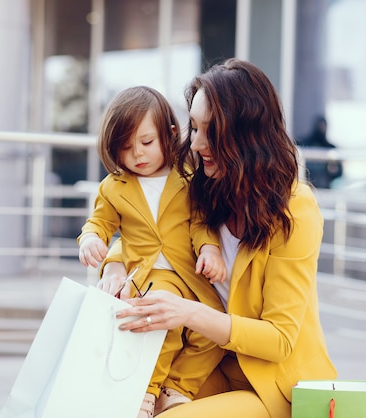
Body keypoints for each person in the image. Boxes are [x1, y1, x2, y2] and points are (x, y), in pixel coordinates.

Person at [105, 59, 337, 418]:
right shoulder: (207, 186)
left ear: (246, 134)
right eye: (193, 128)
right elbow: (154, 233)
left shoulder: (296, 209)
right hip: (207, 368)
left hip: (272, 385)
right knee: (116, 405)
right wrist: (115, 262)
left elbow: (279, 340)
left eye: (208, 130)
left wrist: (188, 312)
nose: (195, 144)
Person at [77, 86, 227, 418]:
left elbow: (200, 222)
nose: (137, 155)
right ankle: (145, 392)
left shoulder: (187, 176)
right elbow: (99, 221)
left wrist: (210, 250)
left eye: (146, 143)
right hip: (149, 276)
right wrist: (90, 240)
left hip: (190, 275)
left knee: (214, 329)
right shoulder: (115, 186)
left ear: (170, 133)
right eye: (126, 147)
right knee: (163, 323)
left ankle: (176, 387)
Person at [297, 115, 342, 188]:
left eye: (323, 126)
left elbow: (338, 172)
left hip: (324, 186)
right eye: (320, 126)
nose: (321, 128)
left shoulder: (331, 149)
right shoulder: (304, 145)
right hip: (306, 184)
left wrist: (332, 170)